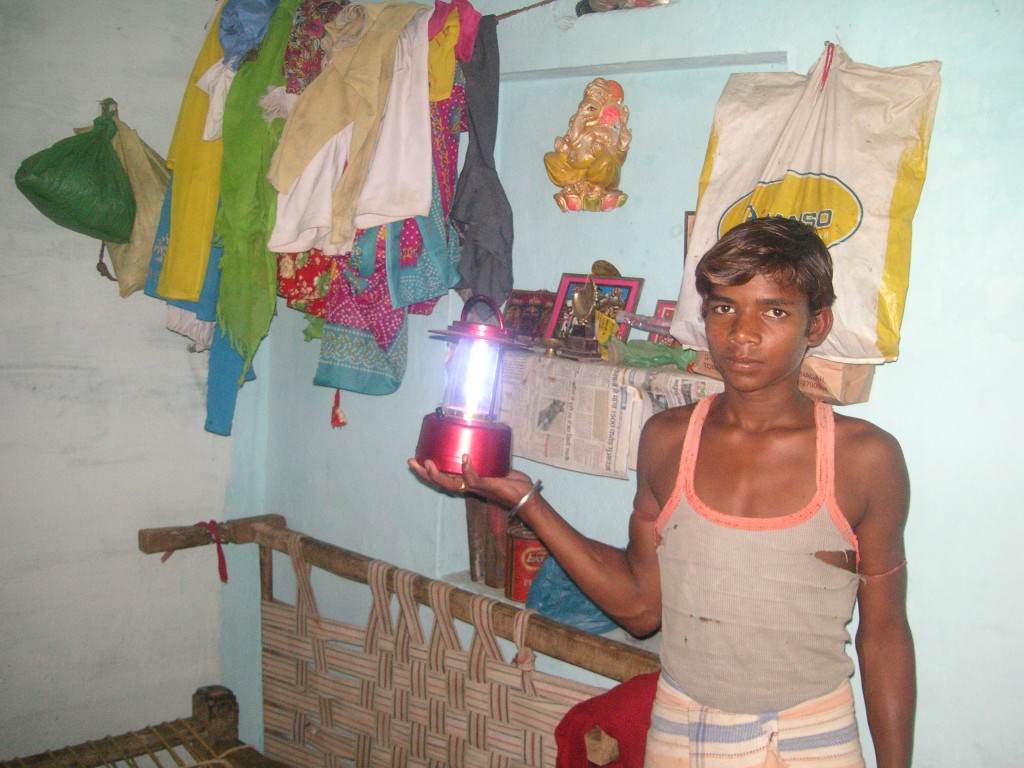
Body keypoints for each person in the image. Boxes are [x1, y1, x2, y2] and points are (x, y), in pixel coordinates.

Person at [409, 217, 915, 768]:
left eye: (773, 310)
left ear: (816, 325)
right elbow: (640, 608)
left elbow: (884, 632)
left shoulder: (865, 458)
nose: (742, 334)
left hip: (809, 736)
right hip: (680, 732)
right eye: (724, 307)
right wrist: (526, 500)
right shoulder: (669, 439)